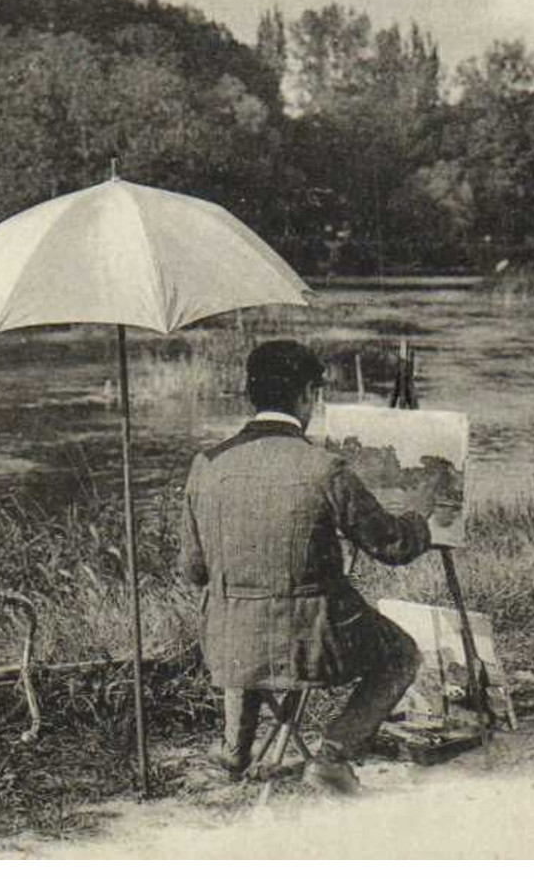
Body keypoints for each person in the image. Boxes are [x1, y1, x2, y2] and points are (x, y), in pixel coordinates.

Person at [181, 339, 438, 795]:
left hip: (227, 642)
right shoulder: (324, 468)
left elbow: (194, 570)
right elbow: (393, 545)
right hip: (313, 643)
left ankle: (233, 751)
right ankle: (334, 755)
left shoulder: (206, 465)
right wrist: (420, 516)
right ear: (307, 396)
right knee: (401, 652)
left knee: (246, 620)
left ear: (250, 393)